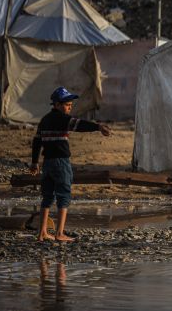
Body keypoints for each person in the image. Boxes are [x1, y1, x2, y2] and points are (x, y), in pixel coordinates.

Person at [30, 87, 111, 242]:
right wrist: (98, 127)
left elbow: (37, 142)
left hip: (47, 163)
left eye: (70, 104)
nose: (69, 107)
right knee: (64, 195)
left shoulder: (44, 120)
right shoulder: (63, 119)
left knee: (47, 197)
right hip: (61, 163)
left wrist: (34, 162)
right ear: (57, 104)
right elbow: (80, 125)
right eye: (67, 104)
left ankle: (42, 233)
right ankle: (59, 233)